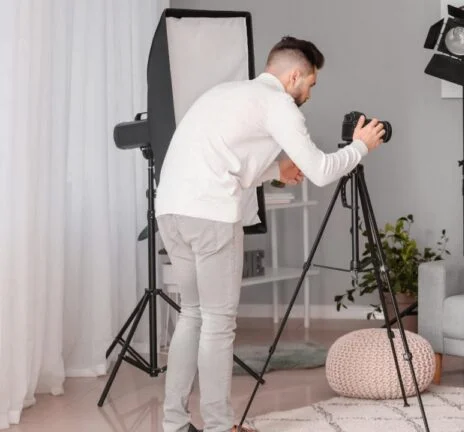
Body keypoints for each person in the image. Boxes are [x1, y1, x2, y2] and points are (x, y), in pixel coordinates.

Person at [154, 36, 386, 432]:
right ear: (294, 75)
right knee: (218, 323)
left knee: (191, 315)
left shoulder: (225, 93)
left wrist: (275, 171)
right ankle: (217, 426)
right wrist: (361, 147)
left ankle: (173, 423)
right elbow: (323, 171)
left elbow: (221, 161)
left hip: (172, 209)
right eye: (310, 84)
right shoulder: (278, 103)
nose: (309, 93)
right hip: (211, 215)